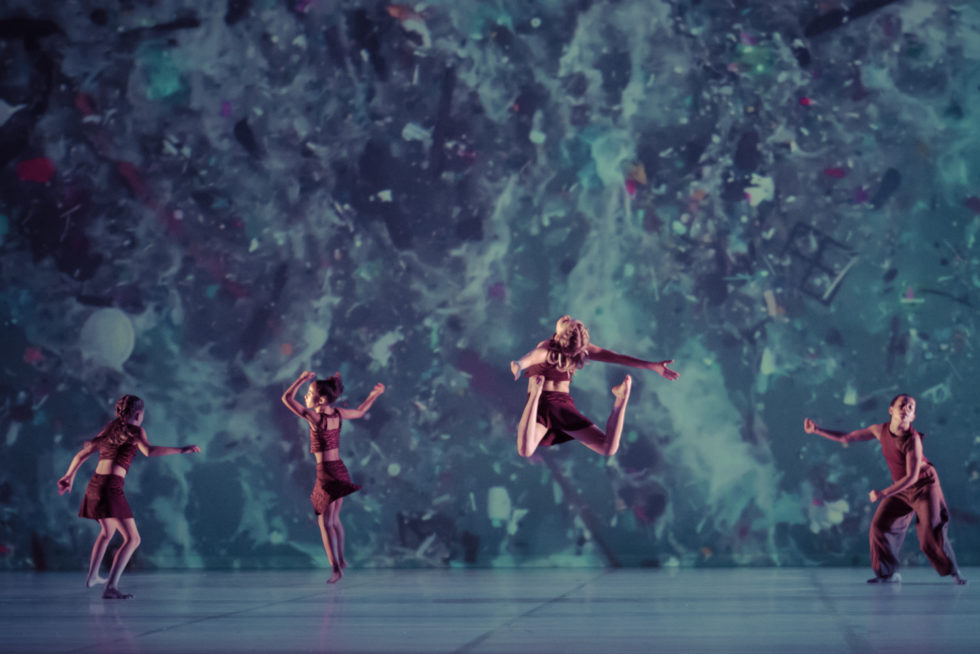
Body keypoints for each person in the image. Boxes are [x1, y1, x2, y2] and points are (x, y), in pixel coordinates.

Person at [804, 394, 966, 584]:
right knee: (880, 527)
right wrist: (817, 430)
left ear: (913, 417)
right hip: (901, 487)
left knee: (930, 533)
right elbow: (847, 438)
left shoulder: (913, 440)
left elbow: (912, 477)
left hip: (924, 486)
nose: (906, 409)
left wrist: (883, 493)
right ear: (891, 410)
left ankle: (954, 571)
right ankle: (889, 574)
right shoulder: (879, 430)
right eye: (902, 405)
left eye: (911, 408)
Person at [57, 395, 201, 599]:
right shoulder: (136, 431)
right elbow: (149, 451)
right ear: (139, 414)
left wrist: (69, 476)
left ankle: (93, 576)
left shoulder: (111, 428)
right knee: (133, 539)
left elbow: (81, 454)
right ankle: (110, 587)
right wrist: (181, 449)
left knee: (107, 532)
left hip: (95, 485)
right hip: (110, 487)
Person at [509, 315, 679, 458]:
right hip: (561, 407)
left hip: (544, 405)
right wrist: (653, 366)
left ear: (560, 336)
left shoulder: (550, 348)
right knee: (608, 448)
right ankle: (620, 401)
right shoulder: (576, 350)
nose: (566, 317)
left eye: (567, 322)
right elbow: (617, 358)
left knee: (525, 451)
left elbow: (531, 358)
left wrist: (519, 365)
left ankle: (535, 395)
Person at [282, 370, 384, 583]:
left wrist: (300, 379)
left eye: (309, 393)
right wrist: (374, 395)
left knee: (325, 523)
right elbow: (360, 411)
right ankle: (342, 560)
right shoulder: (338, 414)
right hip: (339, 469)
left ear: (320, 400)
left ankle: (336, 567)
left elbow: (287, 398)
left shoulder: (315, 418)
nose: (305, 396)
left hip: (327, 472)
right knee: (334, 519)